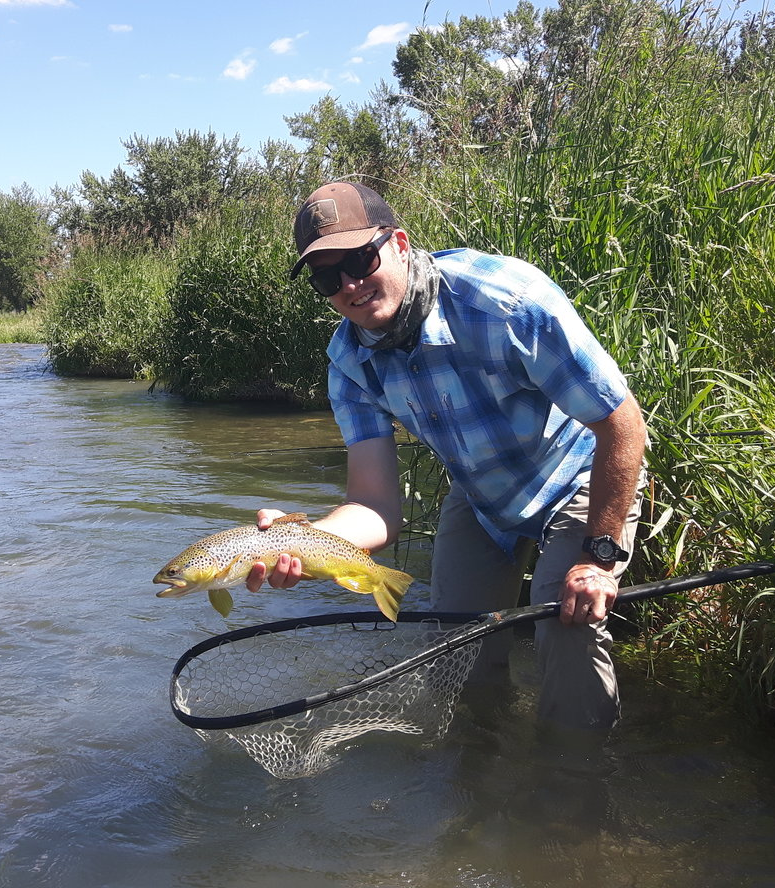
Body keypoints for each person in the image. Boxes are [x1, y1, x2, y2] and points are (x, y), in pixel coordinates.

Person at [246, 180, 647, 732]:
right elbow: (374, 507)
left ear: (401, 244)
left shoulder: (506, 302)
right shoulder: (348, 363)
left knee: (568, 626)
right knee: (456, 653)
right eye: (327, 276)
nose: (351, 285)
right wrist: (302, 540)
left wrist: (598, 558)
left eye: (361, 259)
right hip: (483, 495)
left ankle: (573, 798)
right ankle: (479, 785)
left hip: (577, 476)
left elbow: (622, 424)